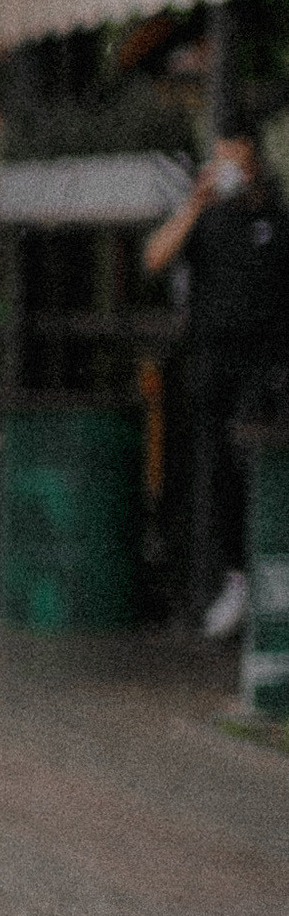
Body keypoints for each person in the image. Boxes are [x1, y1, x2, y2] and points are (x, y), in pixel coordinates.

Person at [146, 126, 289, 635]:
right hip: (213, 365)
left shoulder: (277, 220)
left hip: (267, 368)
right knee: (220, 474)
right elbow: (154, 257)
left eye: (236, 163)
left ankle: (269, 574)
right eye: (221, 161)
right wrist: (195, 203)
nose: (228, 172)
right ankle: (235, 580)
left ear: (255, 166)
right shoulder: (205, 218)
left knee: (260, 468)